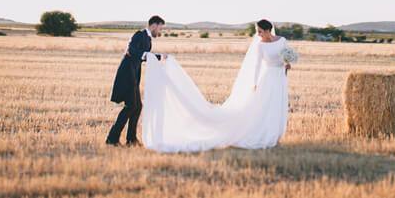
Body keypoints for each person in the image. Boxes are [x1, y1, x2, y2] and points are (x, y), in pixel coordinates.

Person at [139, 18, 293, 152]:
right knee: (266, 106)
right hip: (267, 78)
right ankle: (267, 135)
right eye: (257, 32)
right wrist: (254, 83)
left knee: (277, 105)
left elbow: (284, 56)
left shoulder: (282, 40)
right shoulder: (260, 45)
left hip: (279, 77)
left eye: (260, 32)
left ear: (268, 30)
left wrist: (287, 63)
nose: (258, 35)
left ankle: (276, 134)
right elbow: (258, 65)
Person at [106, 15, 164, 146]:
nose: (160, 32)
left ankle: (131, 139)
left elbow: (145, 56)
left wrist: (160, 57)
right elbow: (131, 50)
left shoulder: (148, 39)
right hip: (127, 74)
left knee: (137, 106)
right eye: (160, 29)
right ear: (153, 25)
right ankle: (112, 139)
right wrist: (152, 56)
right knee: (131, 106)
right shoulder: (139, 35)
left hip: (133, 74)